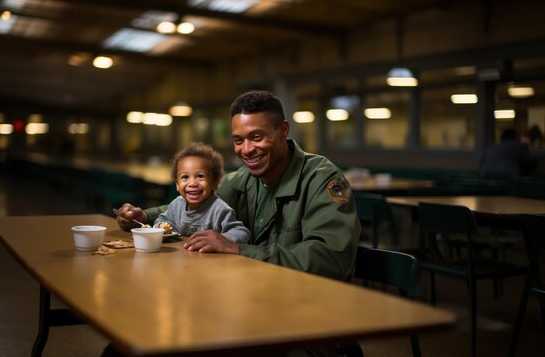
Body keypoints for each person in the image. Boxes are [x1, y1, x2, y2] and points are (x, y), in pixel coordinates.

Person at [112, 90, 361, 355]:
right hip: (253, 308)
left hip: (311, 326)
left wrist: (238, 249)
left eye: (257, 137)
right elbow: (195, 202)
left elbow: (331, 258)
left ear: (283, 130)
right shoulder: (244, 178)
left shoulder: (321, 179)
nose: (247, 150)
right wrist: (144, 217)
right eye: (238, 140)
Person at [154, 142, 250, 243]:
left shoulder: (219, 210)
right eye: (185, 177)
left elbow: (242, 233)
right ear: (177, 185)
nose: (192, 183)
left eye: (200, 176)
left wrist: (221, 239)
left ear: (215, 183)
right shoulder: (176, 205)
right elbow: (162, 220)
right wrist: (162, 227)